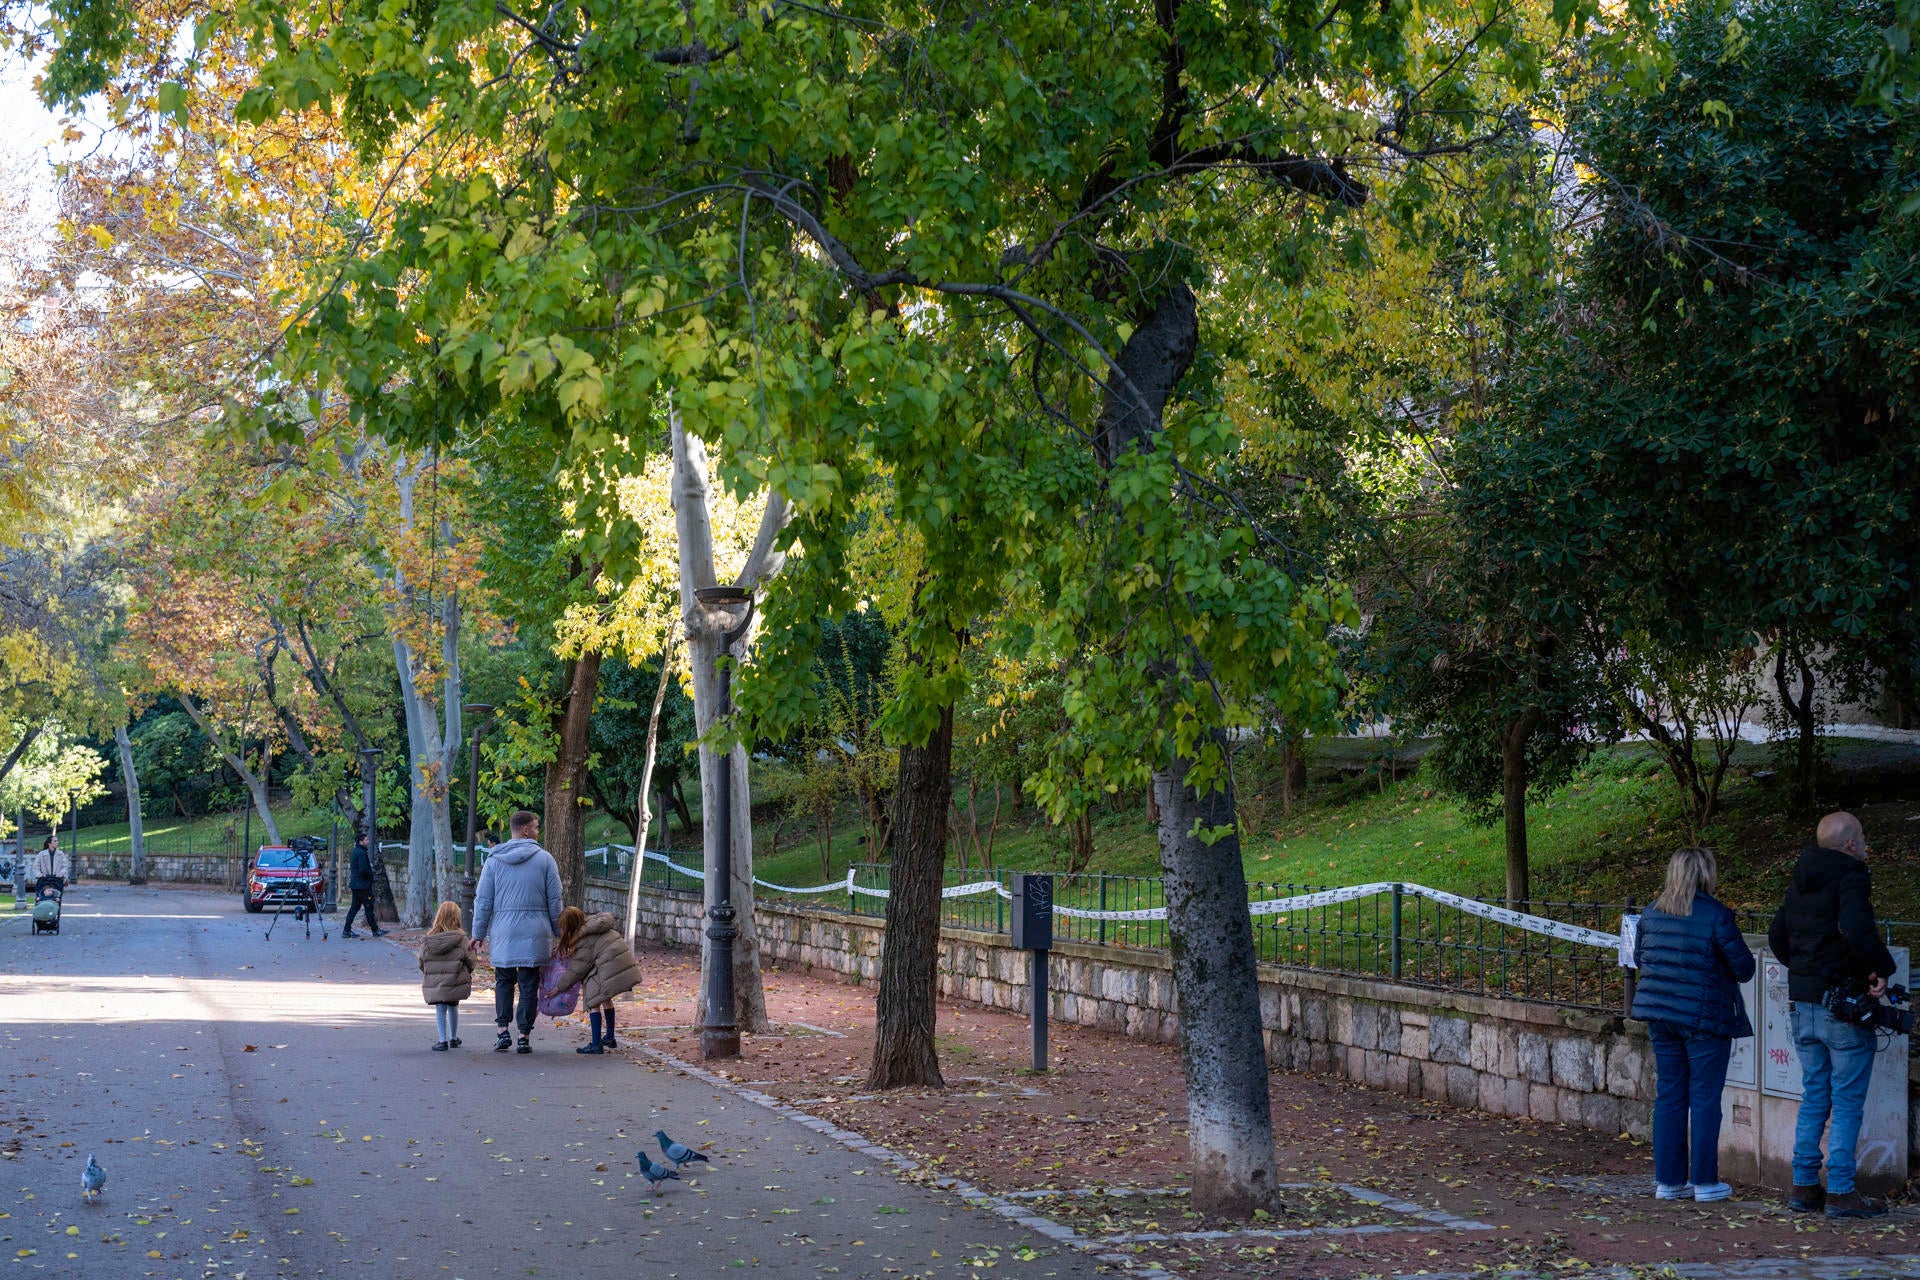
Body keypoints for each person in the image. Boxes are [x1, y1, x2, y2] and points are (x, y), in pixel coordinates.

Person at [1768, 810, 1897, 1219]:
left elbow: (1777, 936)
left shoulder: (1801, 875)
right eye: (1862, 836)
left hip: (1802, 1004)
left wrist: (1805, 972)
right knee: (1846, 1102)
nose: (1865, 844)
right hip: (1841, 1005)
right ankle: (1841, 1191)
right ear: (1849, 844)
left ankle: (1804, 1187)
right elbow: (1859, 931)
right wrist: (1880, 970)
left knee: (1814, 1096)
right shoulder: (1850, 874)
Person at [1631, 847, 1754, 1202]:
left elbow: (1641, 957)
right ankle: (1704, 1181)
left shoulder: (1652, 912)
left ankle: (1668, 1182)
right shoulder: (1716, 915)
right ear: (1706, 875)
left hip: (1661, 1017)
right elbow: (1744, 967)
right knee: (1703, 1098)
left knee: (1669, 1096)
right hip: (1705, 1019)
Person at [471, 810, 564, 1055]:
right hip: (535, 931)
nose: (537, 831)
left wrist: (478, 932)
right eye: (535, 827)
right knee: (529, 985)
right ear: (525, 830)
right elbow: (555, 901)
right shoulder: (545, 860)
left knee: (503, 981)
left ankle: (502, 1031)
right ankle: (523, 1035)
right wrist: (559, 931)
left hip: (503, 931)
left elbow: (483, 900)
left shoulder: (493, 861)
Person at [550, 906, 644, 1055]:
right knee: (606, 999)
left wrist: (559, 987)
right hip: (616, 963)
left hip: (608, 965)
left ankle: (595, 1044)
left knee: (593, 1001)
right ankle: (610, 1037)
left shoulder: (585, 939)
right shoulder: (593, 924)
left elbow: (578, 969)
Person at [419, 900, 476, 1051]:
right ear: (456, 917)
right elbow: (471, 960)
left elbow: (421, 962)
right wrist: (467, 972)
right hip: (454, 980)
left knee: (440, 1008)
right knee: (453, 1005)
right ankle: (453, 1038)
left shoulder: (427, 940)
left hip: (435, 982)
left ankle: (442, 1040)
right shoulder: (461, 939)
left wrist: (430, 973)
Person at [342, 833, 385, 939]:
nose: (368, 841)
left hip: (356, 885)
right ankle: (375, 930)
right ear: (360, 842)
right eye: (366, 840)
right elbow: (363, 870)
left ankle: (346, 930)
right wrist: (371, 876)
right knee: (368, 907)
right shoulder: (361, 853)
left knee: (355, 907)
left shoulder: (355, 852)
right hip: (363, 886)